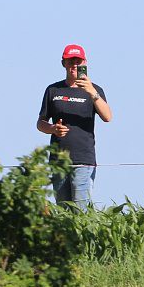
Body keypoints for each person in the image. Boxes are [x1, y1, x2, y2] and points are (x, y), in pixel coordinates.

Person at [36, 43, 112, 207]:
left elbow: (107, 116)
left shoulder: (94, 90)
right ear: (63, 63)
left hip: (83, 159)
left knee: (80, 207)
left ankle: (83, 233)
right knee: (63, 208)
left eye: (78, 61)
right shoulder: (53, 90)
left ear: (85, 63)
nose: (74, 65)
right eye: (70, 61)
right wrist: (52, 129)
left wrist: (92, 93)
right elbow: (40, 123)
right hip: (58, 160)